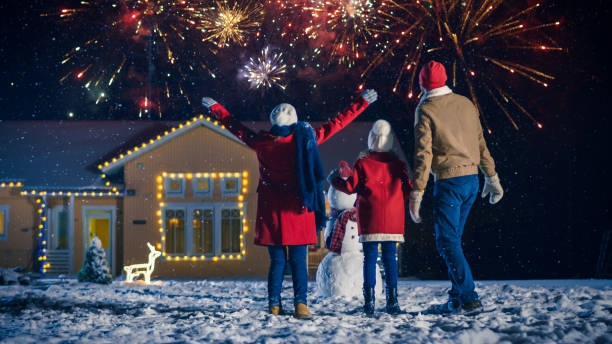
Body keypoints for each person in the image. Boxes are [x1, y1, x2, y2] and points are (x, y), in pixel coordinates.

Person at [202, 89, 378, 318]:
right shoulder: (305, 140)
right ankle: (300, 305)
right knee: (298, 260)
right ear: (295, 121)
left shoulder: (262, 143)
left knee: (276, 262)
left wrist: (217, 108)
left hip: (271, 209)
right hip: (298, 208)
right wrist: (361, 103)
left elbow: (237, 128)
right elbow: (336, 123)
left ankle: (274, 305)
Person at [409, 61, 504, 313]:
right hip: (472, 181)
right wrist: (492, 177)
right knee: (454, 241)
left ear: (421, 84)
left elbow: (423, 155)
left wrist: (417, 192)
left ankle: (470, 297)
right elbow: (480, 142)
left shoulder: (426, 109)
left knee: (446, 242)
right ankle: (457, 298)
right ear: (445, 79)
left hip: (449, 182)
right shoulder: (465, 103)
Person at [329, 120, 411, 315]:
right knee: (390, 258)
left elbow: (350, 187)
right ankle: (393, 301)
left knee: (370, 259)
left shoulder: (363, 163)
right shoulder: (399, 165)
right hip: (393, 218)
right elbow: (407, 189)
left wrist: (335, 180)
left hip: (370, 216)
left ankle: (370, 302)